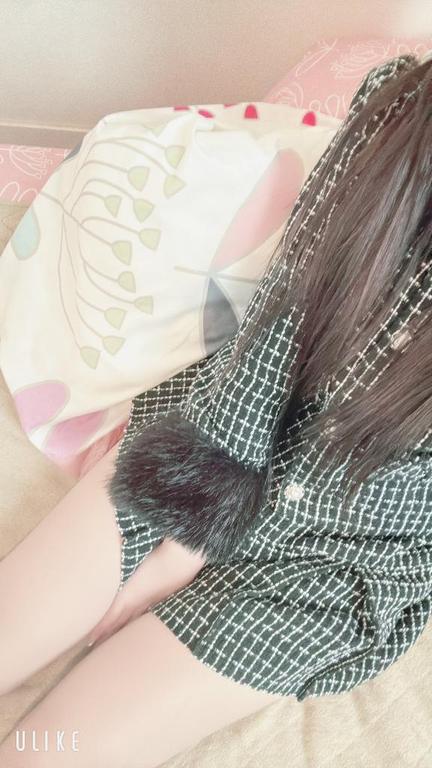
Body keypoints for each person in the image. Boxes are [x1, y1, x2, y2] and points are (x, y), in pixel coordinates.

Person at [0, 52, 431, 767]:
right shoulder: (397, 109)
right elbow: (280, 324)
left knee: (46, 754)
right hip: (224, 440)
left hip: (346, 561)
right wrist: (183, 543)